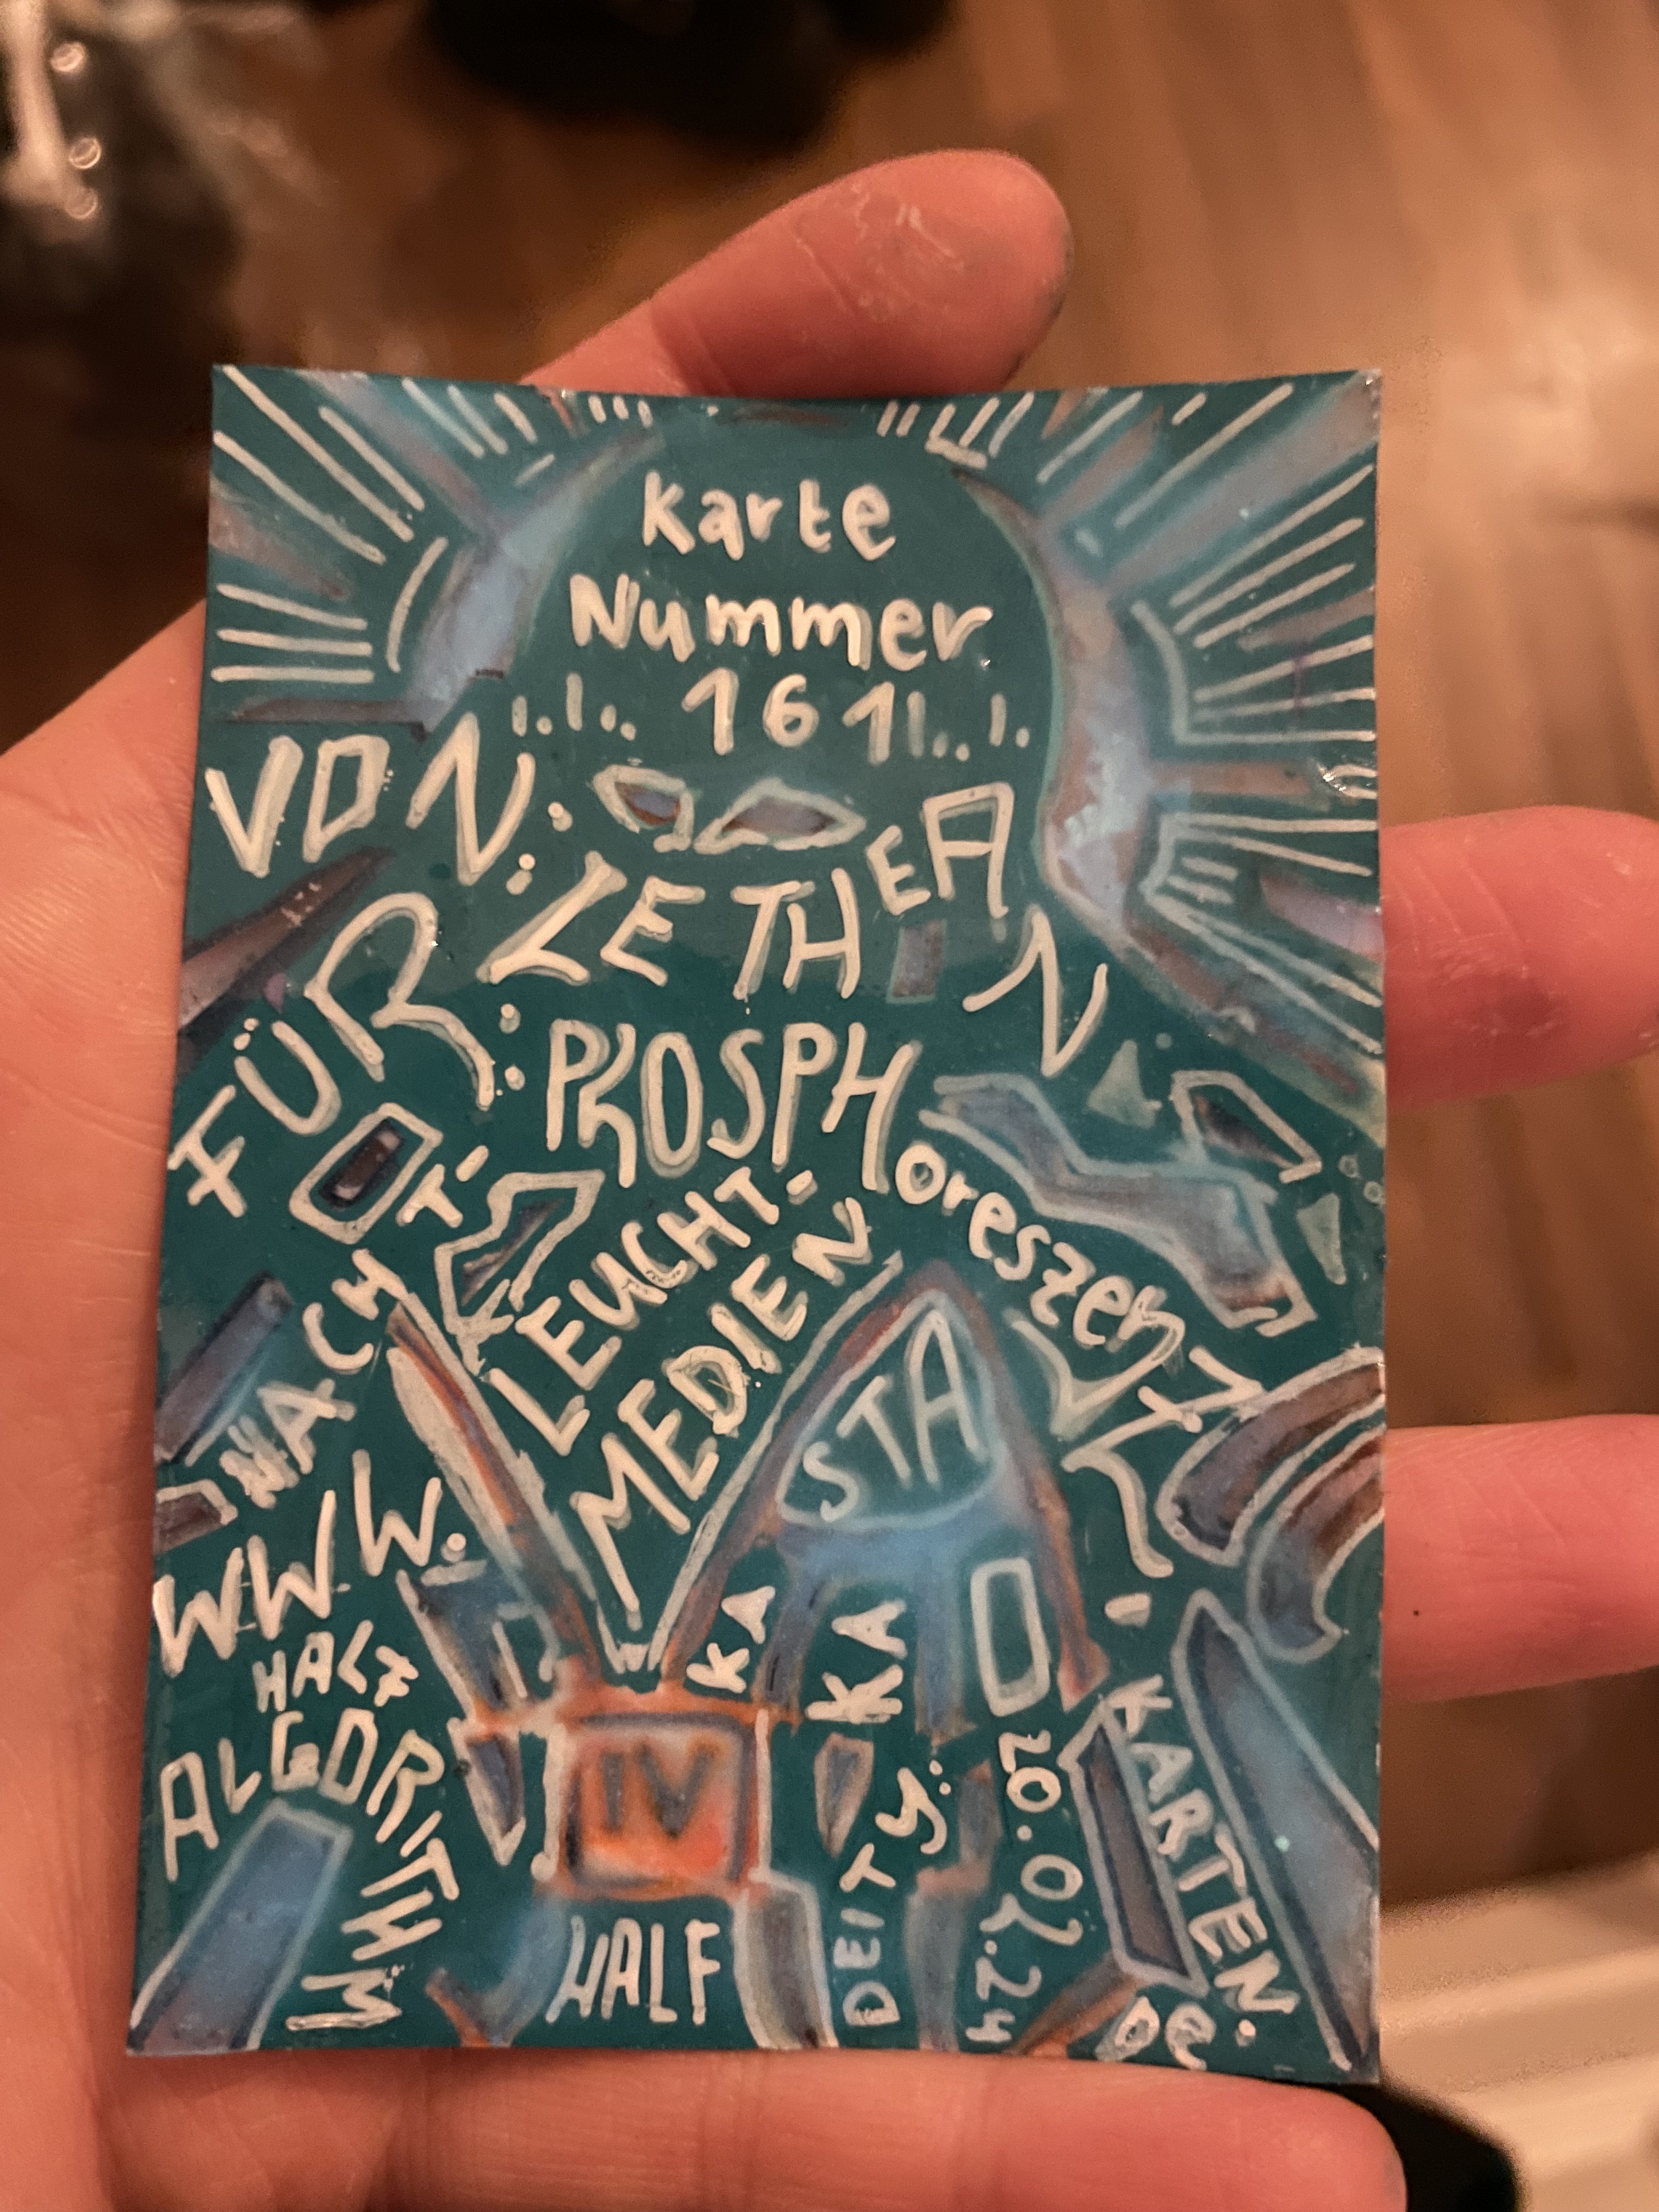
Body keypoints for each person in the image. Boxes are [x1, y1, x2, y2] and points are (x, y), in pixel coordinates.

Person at [4, 148, 1659, 2212]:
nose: (720, 882)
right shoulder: (367, 1133)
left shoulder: (1050, 1194)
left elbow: (1104, 1578)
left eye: (806, 823)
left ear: (978, 840)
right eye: (644, 803)